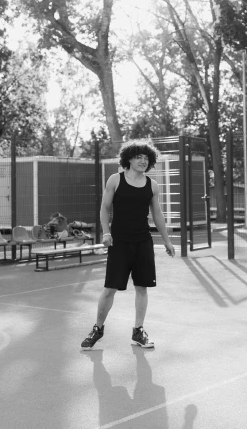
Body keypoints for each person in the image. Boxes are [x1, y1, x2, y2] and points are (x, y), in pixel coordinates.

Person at [81, 139, 176, 350]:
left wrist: (167, 240)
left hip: (143, 242)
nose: (143, 161)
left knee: (142, 288)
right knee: (109, 289)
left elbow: (157, 214)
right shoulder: (115, 180)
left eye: (146, 158)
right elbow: (105, 209)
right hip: (119, 242)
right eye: (138, 157)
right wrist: (106, 232)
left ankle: (138, 331)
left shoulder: (152, 185)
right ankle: (97, 328)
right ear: (129, 159)